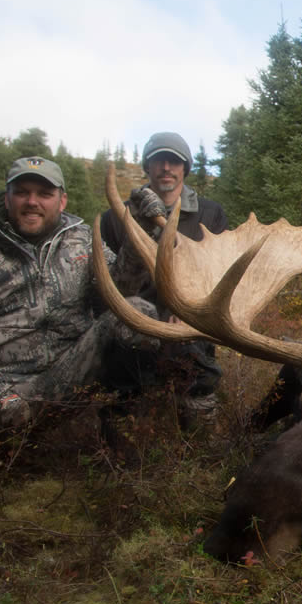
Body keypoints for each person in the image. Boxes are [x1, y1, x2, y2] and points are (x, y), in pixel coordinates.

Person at [0, 156, 158, 445]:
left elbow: (120, 292)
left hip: (66, 379)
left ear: (62, 201)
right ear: (7, 198)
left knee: (140, 313)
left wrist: (140, 231)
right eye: (22, 192)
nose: (32, 202)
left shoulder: (83, 242)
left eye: (44, 194)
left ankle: (125, 427)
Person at [98, 132, 229, 418]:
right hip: (133, 319)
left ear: (185, 168)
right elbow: (108, 282)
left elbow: (217, 270)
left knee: (198, 403)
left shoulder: (210, 214)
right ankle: (128, 419)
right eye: (159, 161)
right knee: (125, 403)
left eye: (174, 161)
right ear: (147, 166)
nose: (166, 168)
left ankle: (197, 416)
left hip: (189, 317)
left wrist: (185, 308)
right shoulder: (115, 217)